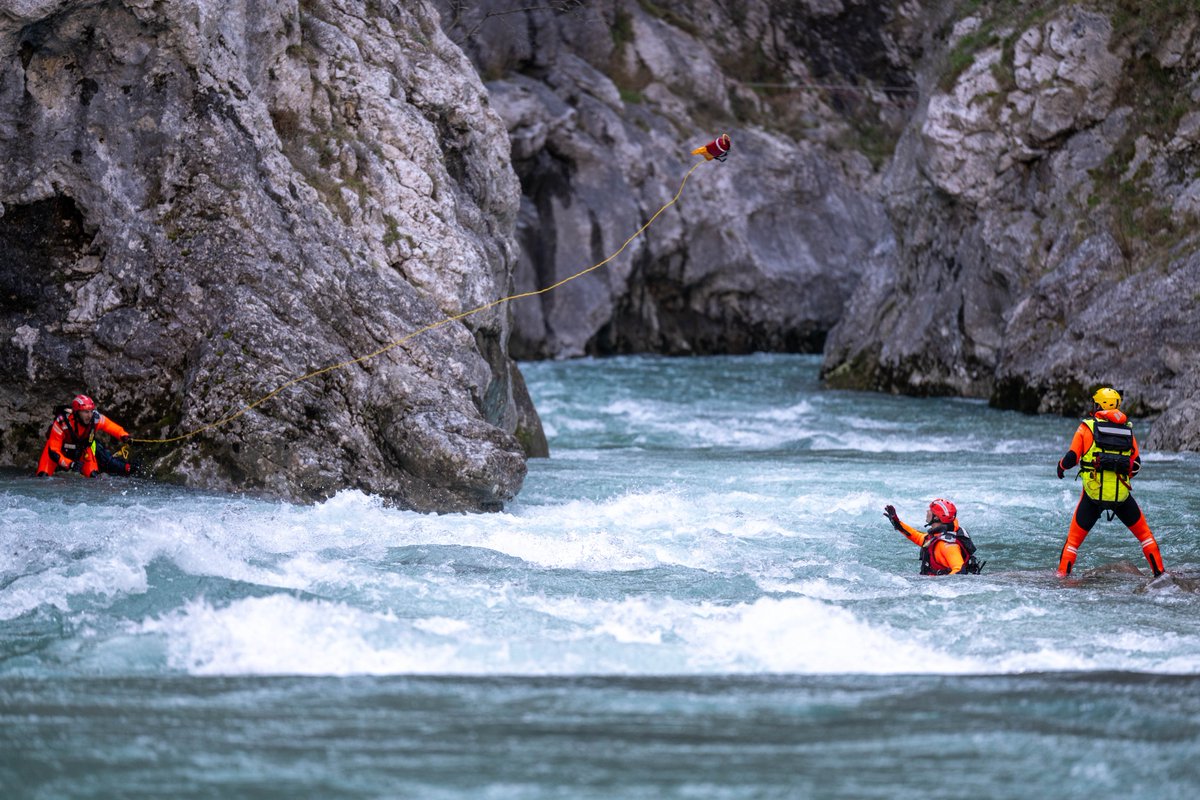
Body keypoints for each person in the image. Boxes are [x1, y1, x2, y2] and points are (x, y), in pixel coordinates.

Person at [1055, 387, 1164, 577]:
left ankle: (1062, 579)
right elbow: (1136, 466)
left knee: (1072, 542)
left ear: (1098, 405)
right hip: (1121, 497)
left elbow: (1072, 458)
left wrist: (1061, 468)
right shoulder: (1128, 431)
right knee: (1145, 536)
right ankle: (1161, 575)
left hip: (1092, 497)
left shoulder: (1086, 427)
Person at [36, 394, 132, 478]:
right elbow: (54, 451)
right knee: (42, 477)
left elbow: (110, 426)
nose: (89, 415)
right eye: (86, 412)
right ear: (77, 412)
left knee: (93, 478)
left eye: (91, 411)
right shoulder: (62, 422)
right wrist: (70, 464)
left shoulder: (95, 418)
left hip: (83, 451)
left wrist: (124, 436)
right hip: (58, 452)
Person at [883, 498, 983, 575]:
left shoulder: (946, 545)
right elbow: (916, 536)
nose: (927, 511)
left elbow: (959, 571)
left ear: (936, 517)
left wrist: (941, 586)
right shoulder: (937, 537)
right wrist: (897, 522)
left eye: (931, 510)